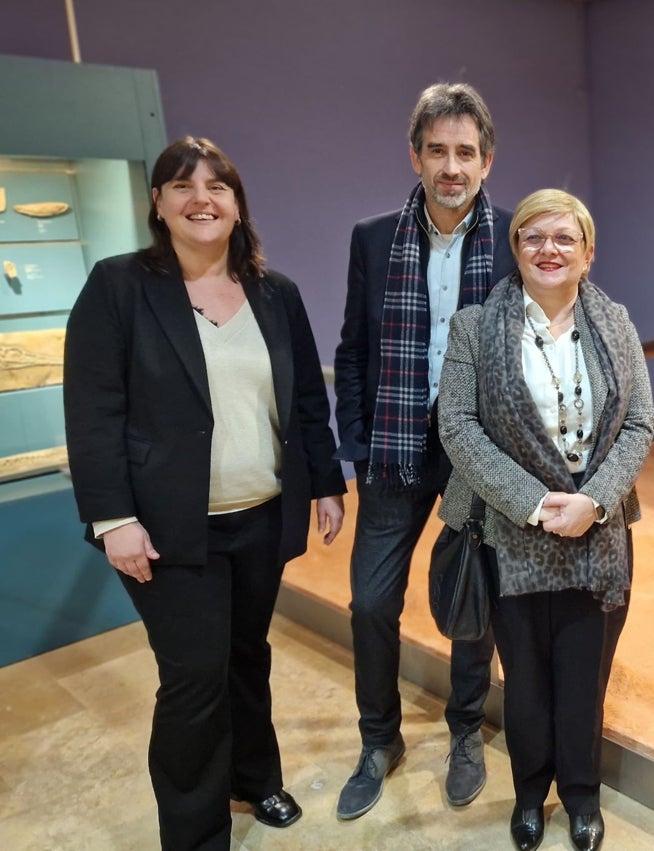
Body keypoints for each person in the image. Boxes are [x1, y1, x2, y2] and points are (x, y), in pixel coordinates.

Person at [62, 136, 346, 850]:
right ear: (157, 204)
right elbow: (92, 410)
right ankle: (195, 833)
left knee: (246, 653)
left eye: (218, 185)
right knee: (193, 678)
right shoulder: (119, 287)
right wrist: (112, 516)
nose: (202, 198)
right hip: (164, 528)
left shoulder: (273, 292)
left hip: (260, 517)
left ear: (237, 203)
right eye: (182, 186)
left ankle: (254, 775)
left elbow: (307, 399)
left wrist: (326, 483)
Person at [437, 188, 654, 851]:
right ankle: (531, 792)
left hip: (598, 537)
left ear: (588, 253)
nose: (548, 249)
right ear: (516, 249)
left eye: (564, 238)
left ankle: (582, 796)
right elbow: (458, 425)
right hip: (511, 535)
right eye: (533, 236)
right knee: (526, 682)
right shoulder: (474, 326)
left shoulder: (617, 324)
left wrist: (596, 500)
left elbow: (641, 422)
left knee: (583, 682)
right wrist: (533, 502)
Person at [332, 81, 516, 819]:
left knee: (477, 599)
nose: (451, 165)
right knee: (371, 601)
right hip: (395, 447)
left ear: (487, 161)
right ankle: (379, 739)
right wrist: (358, 441)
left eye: (465, 152)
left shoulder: (513, 239)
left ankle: (465, 728)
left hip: (479, 449)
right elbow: (352, 349)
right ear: (415, 155)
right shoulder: (373, 238)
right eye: (436, 150)